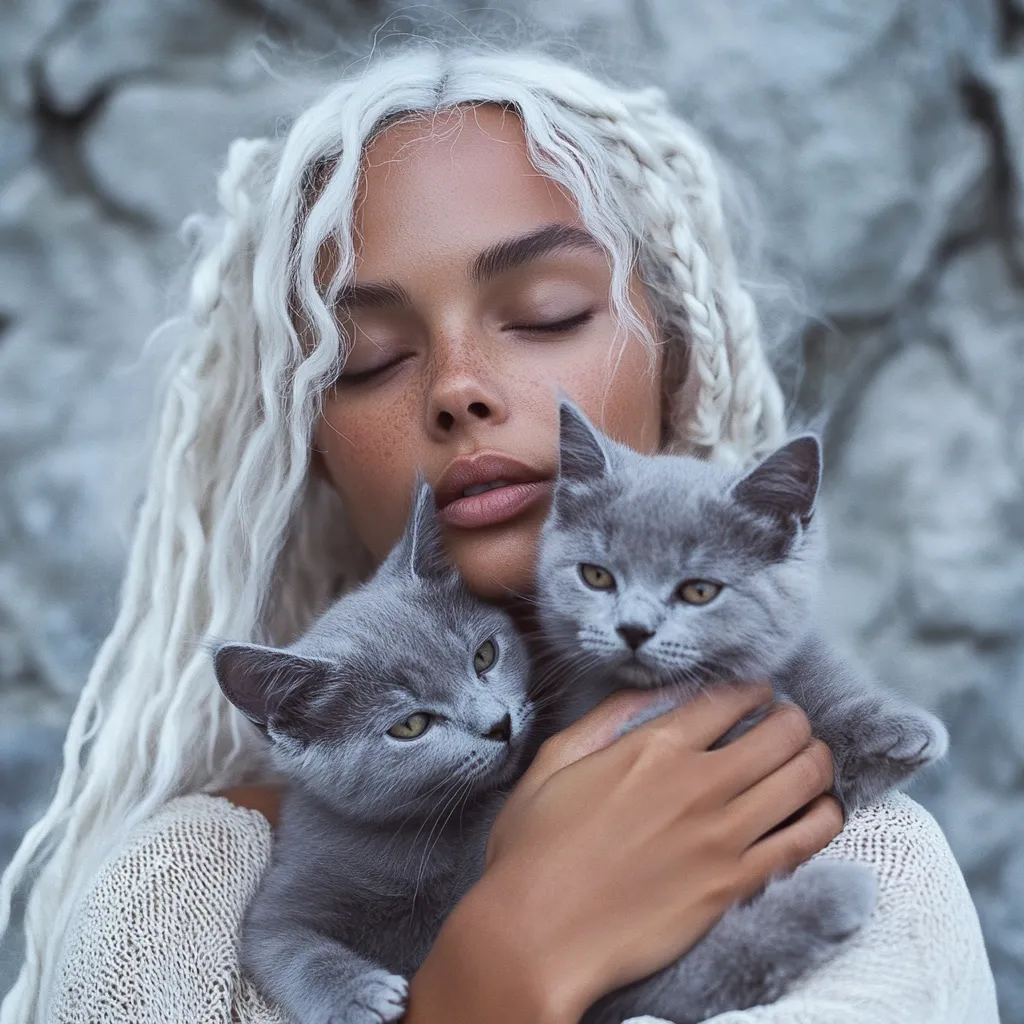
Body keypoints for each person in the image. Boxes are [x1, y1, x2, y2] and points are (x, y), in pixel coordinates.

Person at [0, 45, 998, 1024]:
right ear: (314, 445)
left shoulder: (871, 860)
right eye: (369, 358)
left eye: (544, 311)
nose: (457, 389)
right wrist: (498, 965)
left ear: (679, 363)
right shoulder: (177, 899)